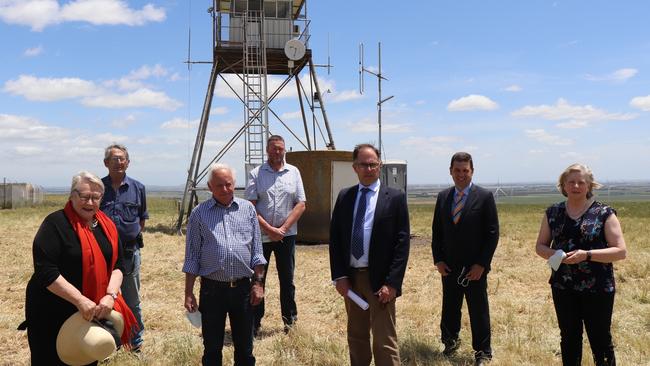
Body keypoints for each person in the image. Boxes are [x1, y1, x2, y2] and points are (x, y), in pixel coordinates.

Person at [21, 171, 138, 365]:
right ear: (71, 195)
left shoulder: (106, 225)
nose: (89, 202)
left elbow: (118, 265)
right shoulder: (55, 224)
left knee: (86, 357)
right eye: (83, 196)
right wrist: (80, 300)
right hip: (53, 310)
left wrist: (110, 296)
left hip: (92, 310)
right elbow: (46, 271)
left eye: (95, 197)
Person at [535, 163, 626, 366]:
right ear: (564, 185)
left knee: (600, 339)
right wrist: (555, 254)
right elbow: (540, 246)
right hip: (563, 286)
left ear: (589, 186)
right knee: (568, 339)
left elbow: (620, 251)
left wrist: (587, 255)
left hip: (598, 288)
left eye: (581, 182)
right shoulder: (553, 212)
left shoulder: (604, 213)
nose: (576, 186)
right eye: (571, 182)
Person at [329, 143, 410, 366]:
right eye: (363, 164)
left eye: (373, 164)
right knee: (357, 336)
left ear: (380, 165)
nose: (368, 168)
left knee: (384, 340)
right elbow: (335, 239)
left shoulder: (394, 198)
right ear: (355, 167)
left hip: (380, 281)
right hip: (352, 279)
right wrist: (340, 276)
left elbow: (402, 244)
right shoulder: (345, 196)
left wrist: (392, 283)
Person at [183, 164, 267, 366]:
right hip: (212, 291)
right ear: (210, 187)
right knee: (212, 348)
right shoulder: (199, 213)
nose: (225, 189)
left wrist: (258, 284)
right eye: (219, 185)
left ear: (234, 184)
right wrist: (188, 292)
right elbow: (192, 256)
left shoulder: (247, 209)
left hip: (243, 290)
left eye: (228, 184)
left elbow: (257, 251)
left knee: (245, 348)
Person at [431, 152, 499, 366]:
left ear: (472, 171)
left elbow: (492, 234)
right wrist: (438, 260)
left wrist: (482, 264)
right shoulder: (443, 197)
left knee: (478, 309)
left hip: (474, 267)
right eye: (457, 170)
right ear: (450, 171)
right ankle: (449, 343)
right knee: (450, 306)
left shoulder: (485, 197)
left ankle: (483, 352)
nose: (461, 174)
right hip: (449, 266)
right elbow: (437, 232)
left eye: (465, 170)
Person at [245, 135, 306, 335]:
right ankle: (254, 323)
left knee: (287, 280)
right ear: (267, 150)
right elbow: (251, 206)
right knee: (258, 279)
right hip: (261, 237)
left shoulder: (294, 172)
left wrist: (283, 229)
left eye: (280, 149)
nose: (277, 152)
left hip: (286, 237)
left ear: (285, 150)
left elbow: (301, 203)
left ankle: (290, 322)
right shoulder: (256, 173)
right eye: (273, 149)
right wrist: (270, 230)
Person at [100, 144, 148, 350]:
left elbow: (142, 219)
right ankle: (105, 342)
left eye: (122, 159)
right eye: (114, 159)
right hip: (101, 253)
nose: (118, 162)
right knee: (101, 298)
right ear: (105, 163)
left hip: (129, 252)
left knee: (132, 300)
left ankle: (135, 344)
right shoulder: (97, 187)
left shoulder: (138, 188)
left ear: (128, 162)